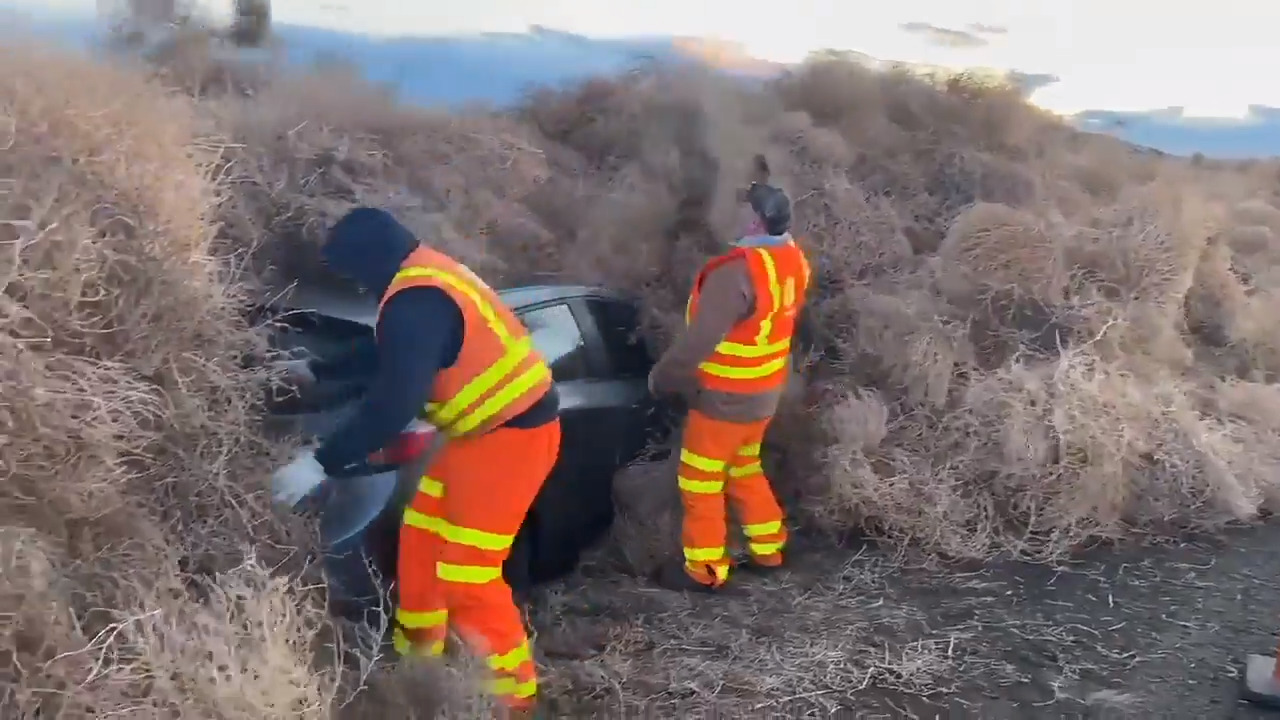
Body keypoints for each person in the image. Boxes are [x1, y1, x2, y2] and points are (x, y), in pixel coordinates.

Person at [270, 207, 560, 718]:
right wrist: (318, 368)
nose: (354, 284)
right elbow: (388, 349)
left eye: (351, 273)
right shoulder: (421, 278)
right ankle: (419, 670)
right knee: (422, 542)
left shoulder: (417, 299)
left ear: (369, 262)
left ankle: (515, 702)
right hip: (476, 438)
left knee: (468, 574)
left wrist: (321, 461)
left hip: (513, 440)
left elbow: (392, 404)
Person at [647, 158, 811, 593]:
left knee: (699, 479)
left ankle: (703, 571)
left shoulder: (735, 272)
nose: (731, 215)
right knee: (743, 467)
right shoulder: (792, 260)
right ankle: (769, 547)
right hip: (763, 394)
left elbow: (698, 343)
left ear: (755, 219)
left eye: (741, 209)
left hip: (723, 398)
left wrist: (663, 379)